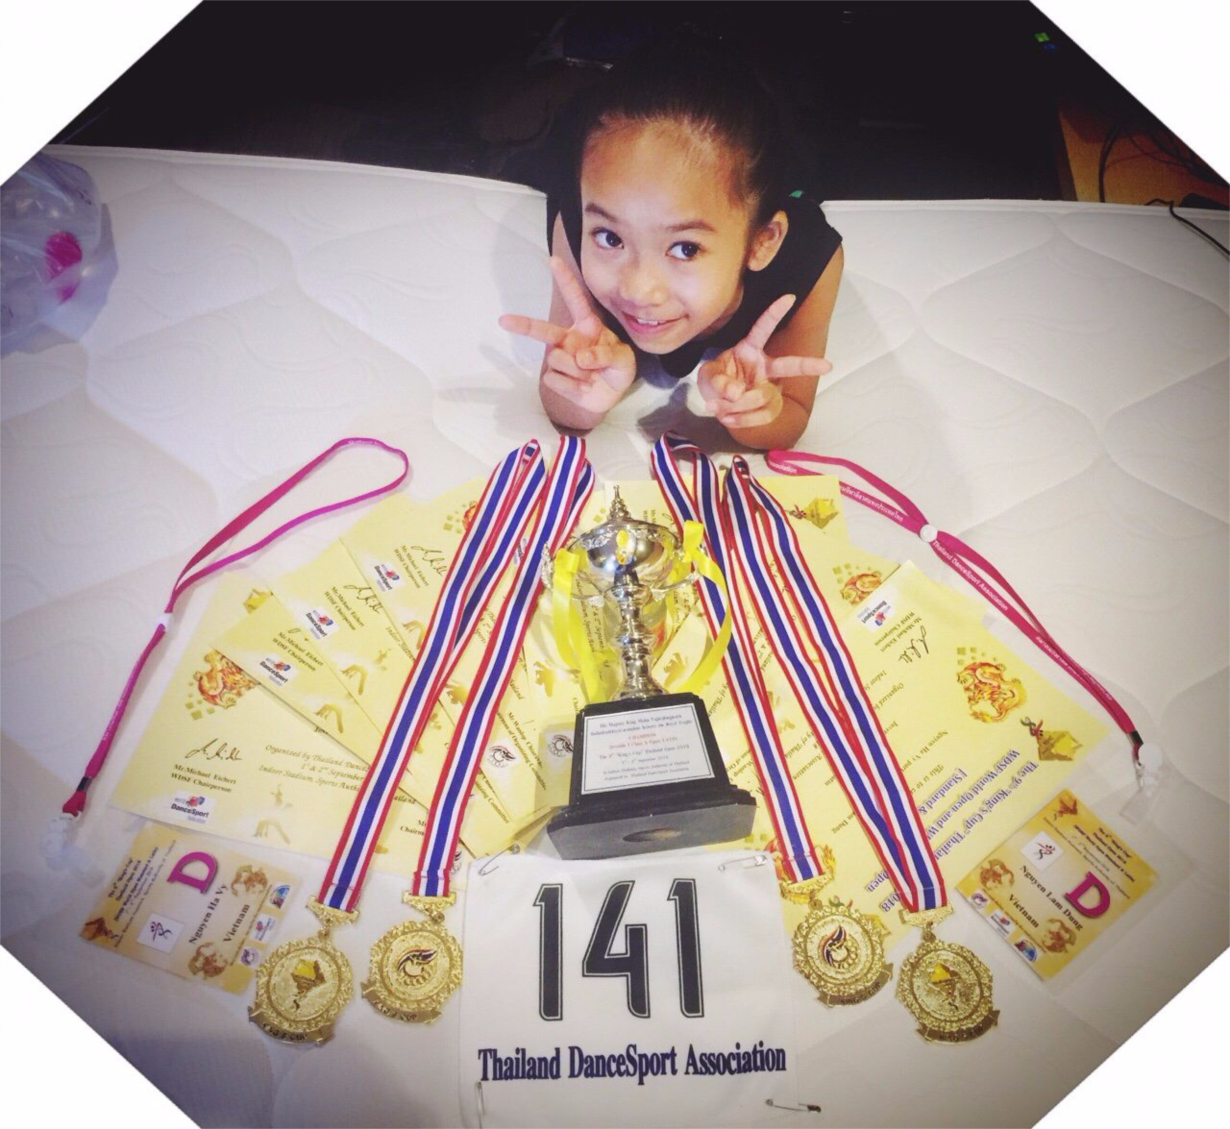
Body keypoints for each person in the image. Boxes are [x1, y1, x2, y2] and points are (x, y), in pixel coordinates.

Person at [499, 41, 844, 450]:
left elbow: (791, 414)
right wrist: (585, 394)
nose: (638, 291)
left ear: (762, 243)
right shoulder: (577, 222)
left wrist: (748, 411)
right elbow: (561, 397)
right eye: (611, 238)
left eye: (686, 249)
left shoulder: (807, 261)